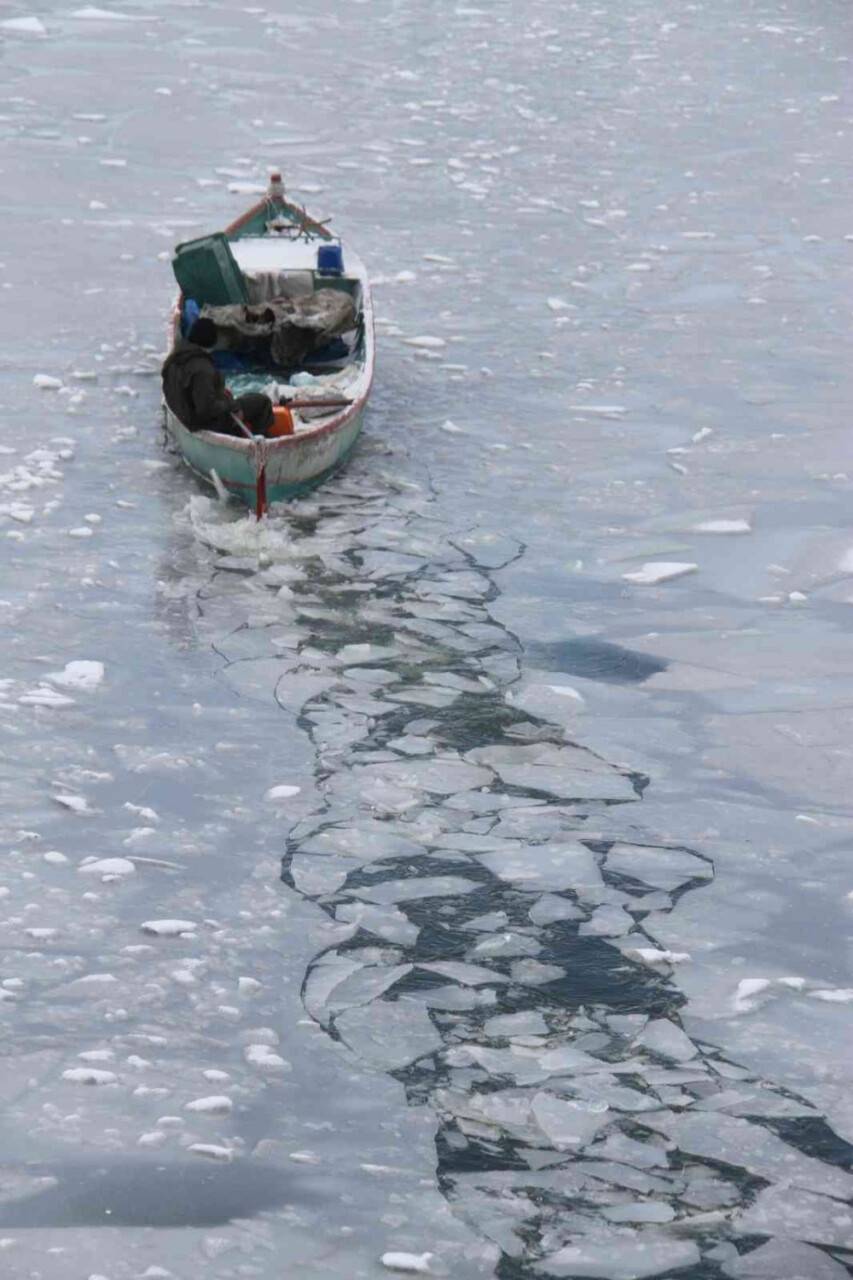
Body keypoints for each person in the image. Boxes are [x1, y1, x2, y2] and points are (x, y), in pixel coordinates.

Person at [161, 318, 274, 437]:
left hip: (184, 416)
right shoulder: (202, 369)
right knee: (262, 402)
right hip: (202, 423)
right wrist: (231, 406)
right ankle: (260, 445)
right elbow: (206, 409)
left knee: (231, 399)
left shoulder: (174, 358)